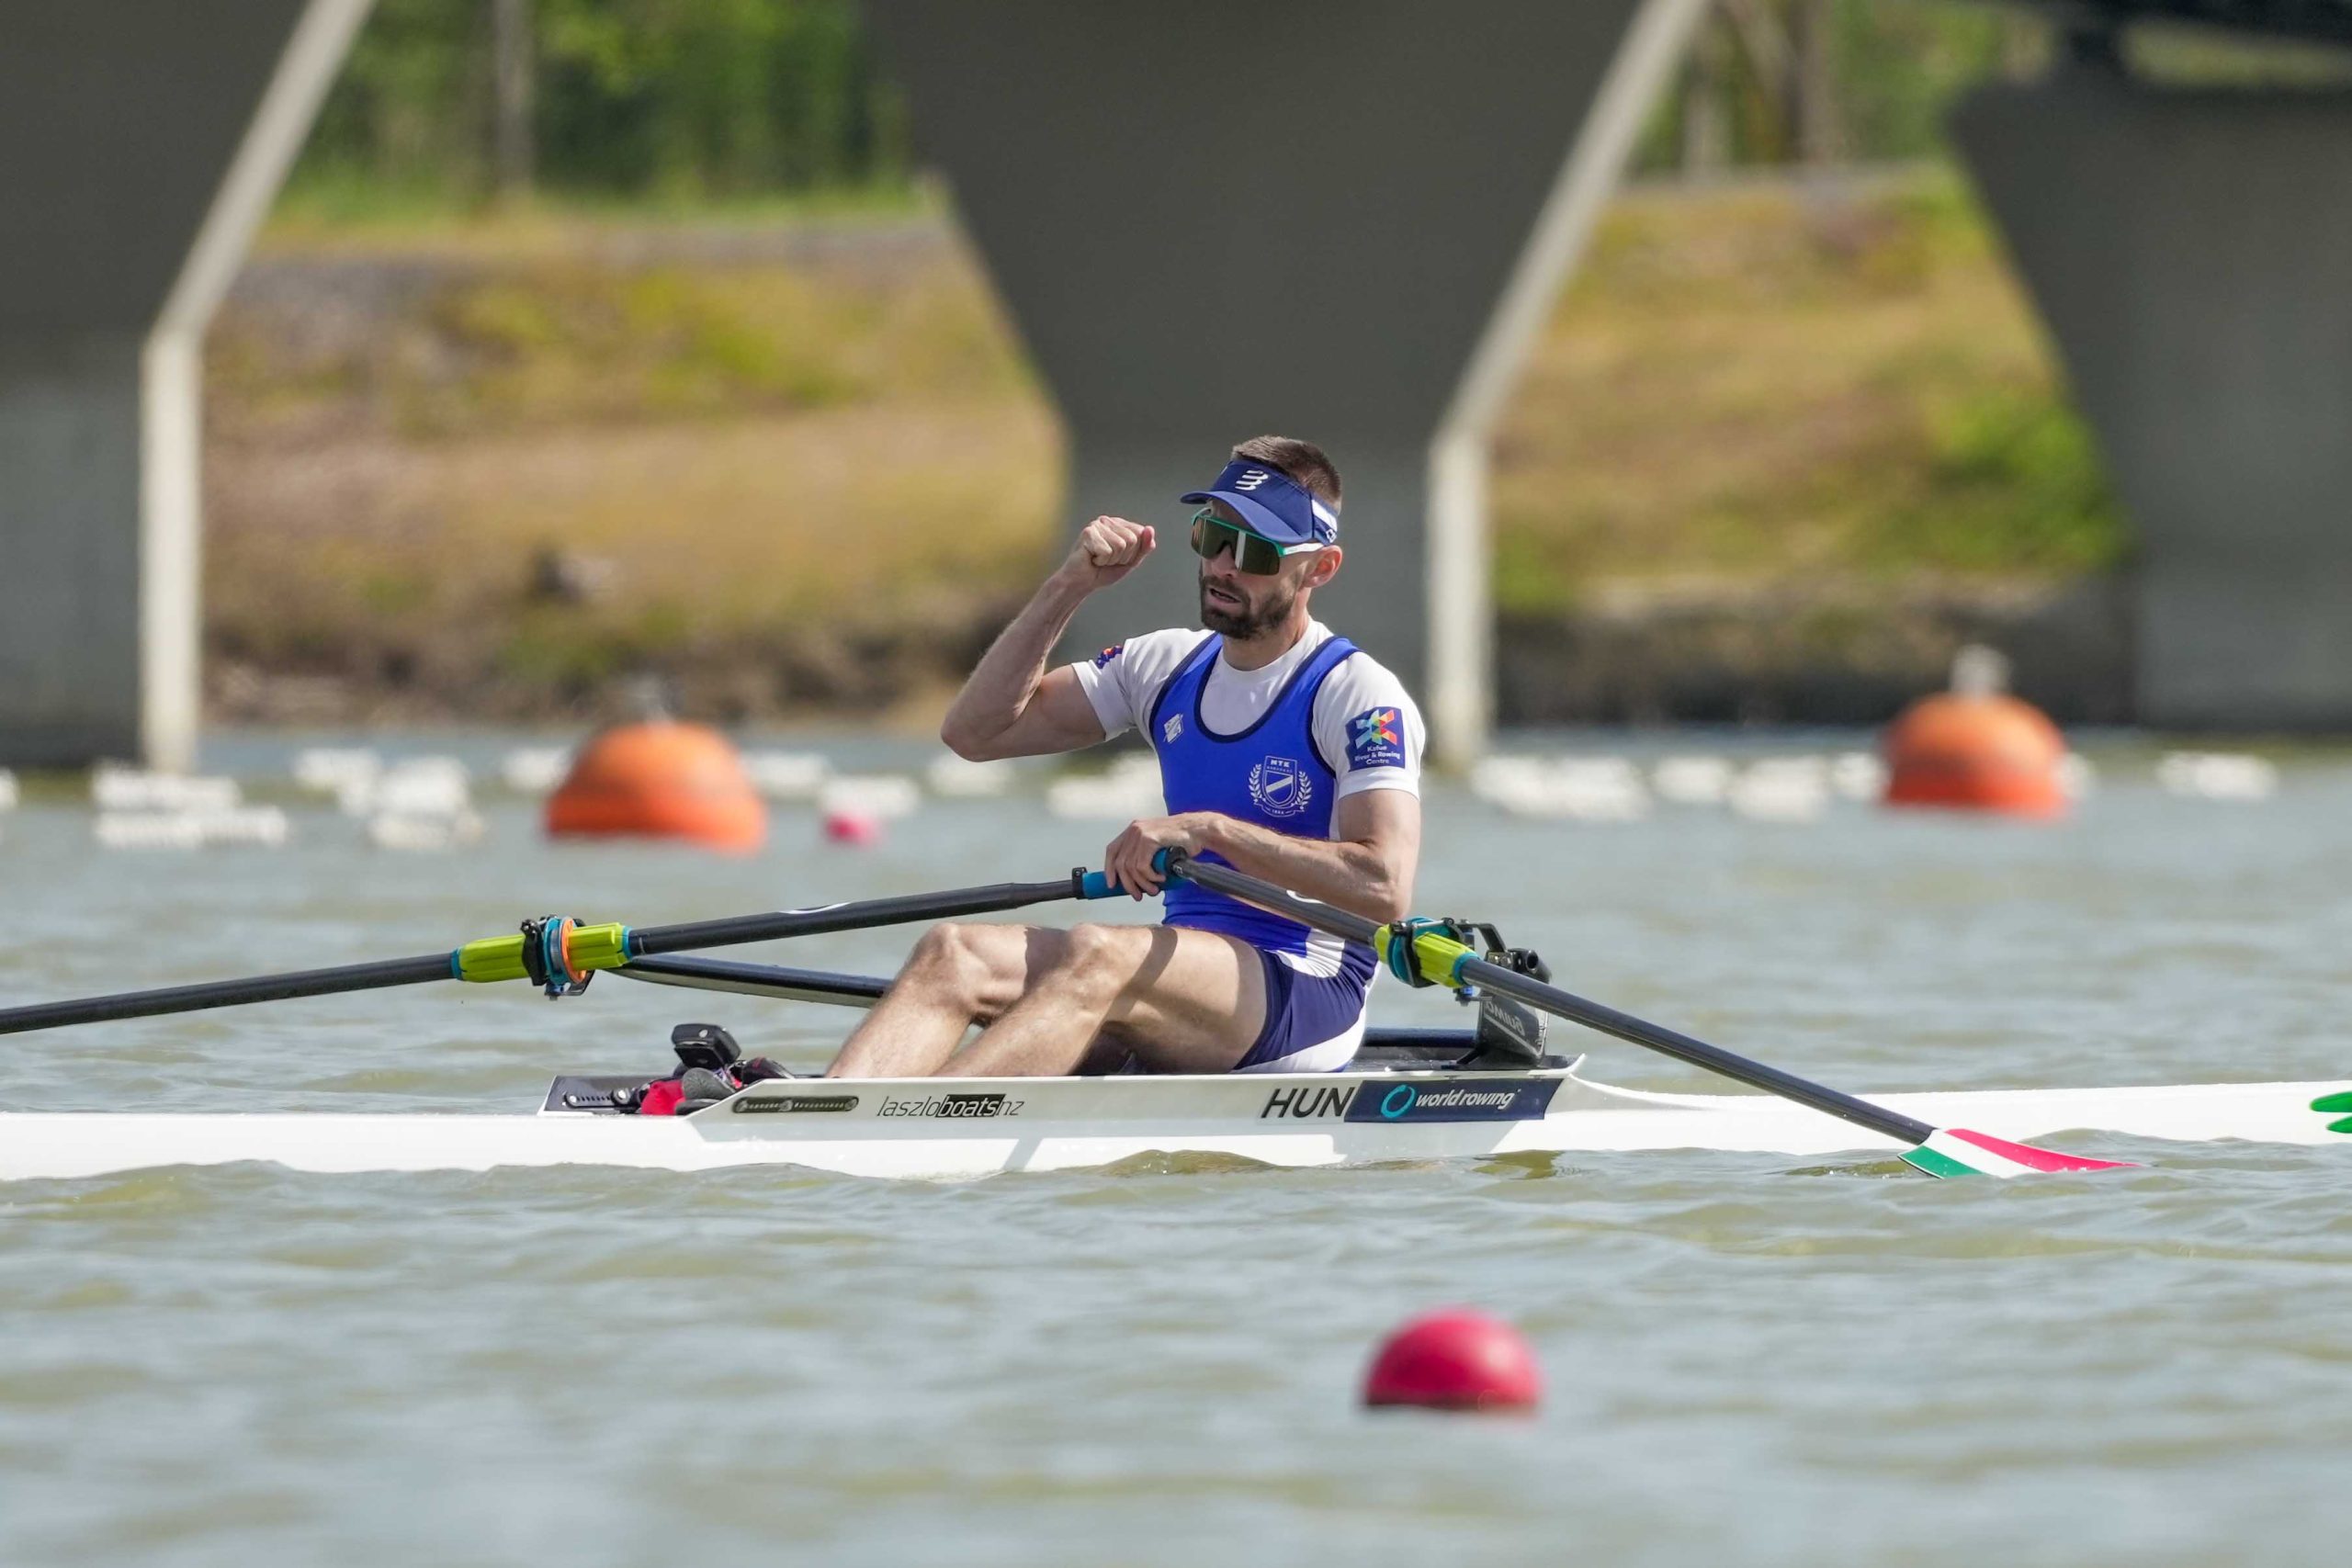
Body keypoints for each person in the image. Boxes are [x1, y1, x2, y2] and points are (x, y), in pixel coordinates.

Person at [825, 435, 1425, 1079]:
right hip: (1176, 979)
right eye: (1211, 535)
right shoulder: (1164, 665)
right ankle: (832, 1124)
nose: (1222, 565)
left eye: (1251, 550)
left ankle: (917, 1127)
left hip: (1303, 991)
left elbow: (1384, 885)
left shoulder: (1356, 693)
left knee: (1098, 951)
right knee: (954, 951)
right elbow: (976, 733)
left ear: (1319, 568)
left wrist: (1207, 830)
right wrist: (1068, 586)